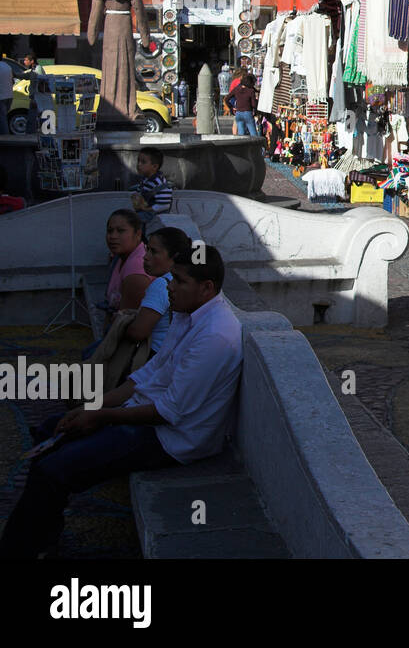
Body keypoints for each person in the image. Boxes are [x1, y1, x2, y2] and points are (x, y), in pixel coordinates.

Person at [0, 246, 242, 559]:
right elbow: (146, 376)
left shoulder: (215, 335)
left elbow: (167, 412)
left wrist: (101, 416)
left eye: (179, 281)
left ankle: (18, 551)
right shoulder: (188, 314)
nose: (169, 286)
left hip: (171, 439)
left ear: (206, 287)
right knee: (50, 431)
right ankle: (42, 537)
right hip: (143, 415)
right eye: (171, 279)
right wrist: (92, 407)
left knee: (52, 469)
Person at [126, 226, 190, 356]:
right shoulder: (186, 280)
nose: (146, 257)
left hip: (154, 356)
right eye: (147, 249)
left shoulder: (162, 285)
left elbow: (137, 332)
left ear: (175, 256)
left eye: (153, 252)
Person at [104, 209, 150, 316]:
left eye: (121, 231)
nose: (113, 236)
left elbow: (124, 322)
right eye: (110, 231)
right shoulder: (121, 257)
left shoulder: (137, 266)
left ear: (138, 234)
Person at [130, 146, 173, 228]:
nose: (139, 164)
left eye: (143, 162)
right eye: (138, 161)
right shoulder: (147, 179)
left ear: (154, 166)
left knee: (132, 222)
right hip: (145, 210)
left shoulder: (159, 183)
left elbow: (164, 205)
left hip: (154, 216)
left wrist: (148, 209)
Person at [229, 70, 258, 137]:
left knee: (241, 134)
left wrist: (231, 107)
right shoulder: (250, 90)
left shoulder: (236, 87)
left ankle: (239, 143)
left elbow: (228, 98)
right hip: (247, 111)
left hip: (238, 111)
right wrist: (255, 110)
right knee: (253, 133)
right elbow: (253, 104)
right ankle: (256, 146)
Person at [0, 56, 12, 136]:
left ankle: (6, 138)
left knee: (2, 119)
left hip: (1, 97)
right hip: (9, 96)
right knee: (3, 117)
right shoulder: (7, 66)